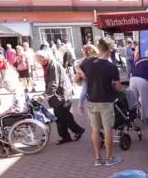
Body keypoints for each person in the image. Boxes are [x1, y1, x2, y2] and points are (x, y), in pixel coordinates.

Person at [80, 37, 121, 166]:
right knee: (108, 129)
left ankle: (98, 158)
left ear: (98, 48)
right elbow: (118, 87)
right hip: (106, 101)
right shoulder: (111, 66)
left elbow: (78, 70)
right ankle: (109, 158)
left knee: (95, 129)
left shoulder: (87, 63)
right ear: (109, 50)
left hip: (91, 100)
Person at [34, 50, 85, 145]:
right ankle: (67, 135)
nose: (37, 63)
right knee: (61, 116)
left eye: (38, 60)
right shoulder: (49, 65)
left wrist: (45, 95)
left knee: (62, 116)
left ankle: (76, 131)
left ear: (43, 58)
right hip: (59, 95)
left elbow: (54, 83)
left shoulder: (53, 65)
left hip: (62, 95)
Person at [130, 49, 148, 124]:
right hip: (143, 80)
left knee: (134, 99)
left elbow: (132, 70)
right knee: (144, 100)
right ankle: (145, 118)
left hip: (132, 79)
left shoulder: (138, 60)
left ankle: (133, 117)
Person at [75, 44, 99, 114]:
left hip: (93, 78)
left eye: (84, 51)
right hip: (86, 78)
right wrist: (82, 72)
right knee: (84, 91)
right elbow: (76, 67)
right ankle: (80, 105)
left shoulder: (97, 58)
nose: (83, 52)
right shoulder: (84, 59)